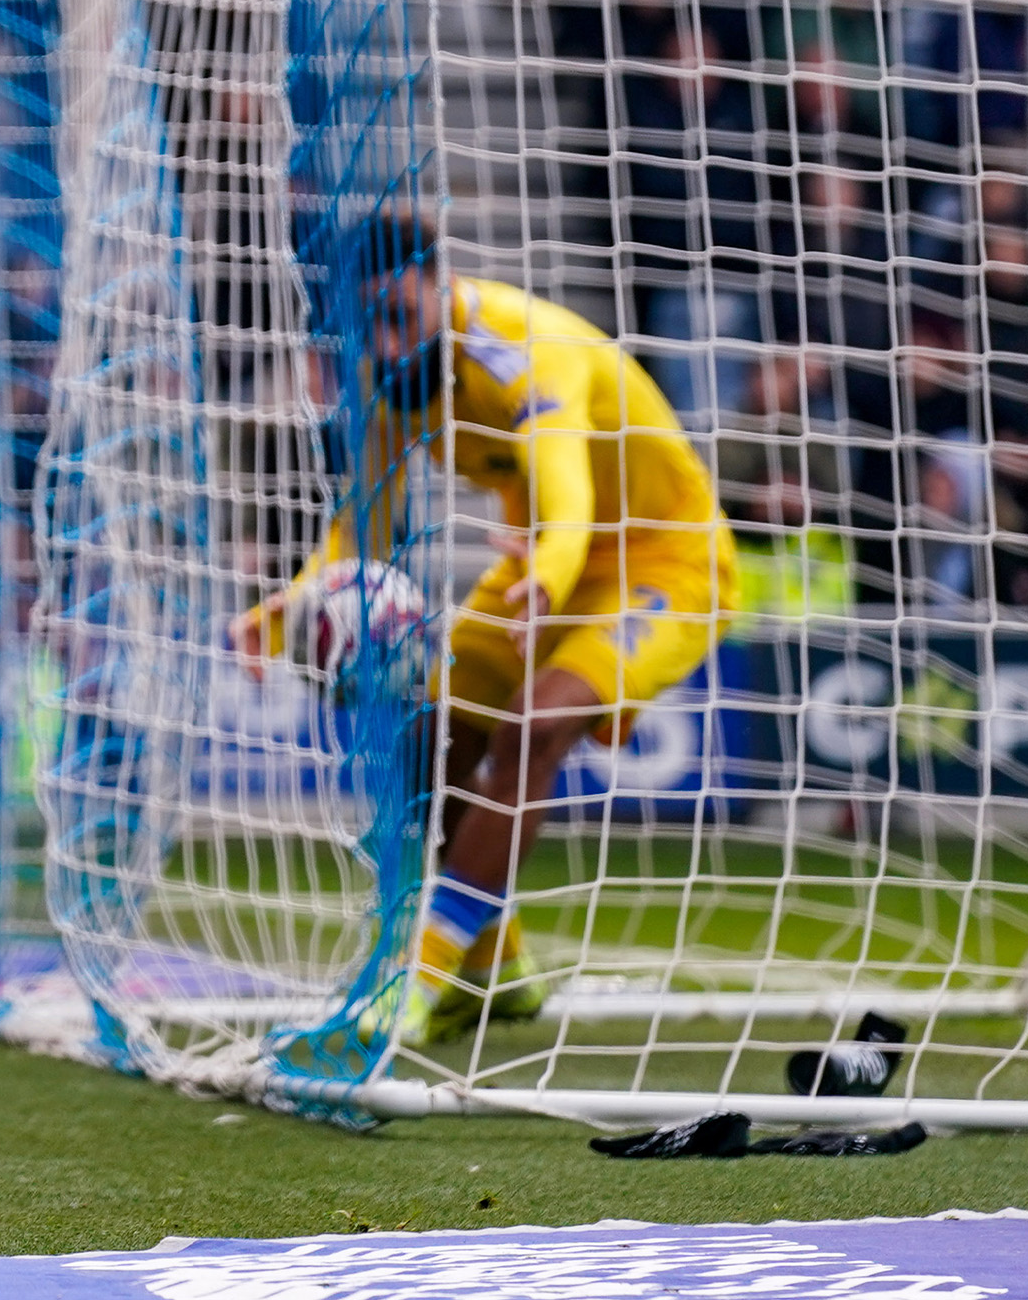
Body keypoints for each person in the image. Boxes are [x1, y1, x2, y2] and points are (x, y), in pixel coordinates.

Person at [231, 225, 737, 1050]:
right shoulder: (389, 379)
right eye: (369, 328)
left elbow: (565, 489)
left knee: (533, 727)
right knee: (431, 746)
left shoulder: (523, 351)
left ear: (440, 282)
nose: (388, 344)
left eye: (399, 316)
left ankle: (418, 980)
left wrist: (553, 567)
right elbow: (364, 522)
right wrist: (287, 604)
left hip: (660, 560)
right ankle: (495, 974)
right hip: (536, 563)